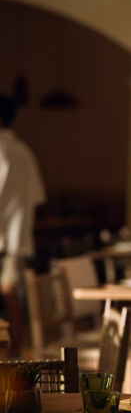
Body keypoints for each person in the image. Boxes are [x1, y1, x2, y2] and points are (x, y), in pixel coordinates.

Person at [0, 95, 45, 355]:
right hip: (17, 237)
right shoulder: (25, 152)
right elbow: (37, 196)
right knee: (12, 297)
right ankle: (14, 354)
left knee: (10, 295)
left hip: (6, 236)